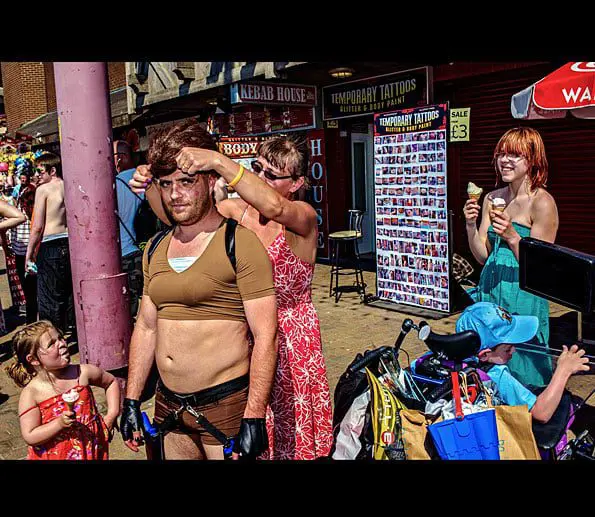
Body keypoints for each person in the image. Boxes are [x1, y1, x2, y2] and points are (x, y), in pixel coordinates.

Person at [131, 135, 334, 460]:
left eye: (272, 175)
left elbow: (276, 206)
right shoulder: (235, 211)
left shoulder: (302, 216)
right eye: (256, 168)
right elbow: (179, 217)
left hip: (291, 340)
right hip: (247, 333)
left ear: (296, 183)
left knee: (288, 435)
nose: (260, 179)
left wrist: (217, 161)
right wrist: (151, 185)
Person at [119, 120, 278, 460]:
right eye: (166, 184)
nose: (175, 194)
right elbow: (146, 327)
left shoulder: (239, 243)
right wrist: (131, 399)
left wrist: (254, 415)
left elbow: (266, 336)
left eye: (186, 182)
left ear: (209, 181)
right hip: (168, 404)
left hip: (224, 404)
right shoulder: (155, 247)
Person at [463, 127, 558, 388]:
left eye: (514, 155)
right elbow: (483, 256)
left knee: (522, 366)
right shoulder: (492, 198)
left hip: (523, 295)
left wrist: (513, 237)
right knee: (488, 365)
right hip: (491, 290)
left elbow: (540, 268)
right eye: (501, 154)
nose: (504, 160)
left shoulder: (542, 203)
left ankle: (530, 408)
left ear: (533, 160)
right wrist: (470, 225)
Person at [456, 302, 589, 423]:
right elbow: (541, 413)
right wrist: (564, 370)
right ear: (484, 355)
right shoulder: (494, 375)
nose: (514, 350)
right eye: (508, 348)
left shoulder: (455, 363)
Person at [5, 320, 120, 460]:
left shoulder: (82, 373)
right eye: (51, 344)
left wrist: (111, 415)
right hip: (56, 454)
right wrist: (58, 424)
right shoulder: (32, 393)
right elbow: (30, 435)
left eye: (60, 338)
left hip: (91, 449)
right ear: (33, 359)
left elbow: (111, 382)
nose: (62, 343)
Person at [25, 152, 76, 333]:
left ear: (52, 170)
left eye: (40, 171)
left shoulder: (43, 190)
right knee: (68, 293)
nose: (37, 176)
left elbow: (37, 226)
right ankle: (71, 331)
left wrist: (29, 254)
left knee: (48, 298)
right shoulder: (69, 186)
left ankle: (53, 337)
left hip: (50, 245)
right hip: (69, 242)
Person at [113, 139, 145, 319]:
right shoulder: (147, 179)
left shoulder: (113, 185)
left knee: (129, 309)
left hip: (123, 252)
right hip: (144, 249)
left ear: (121, 158)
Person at [11, 170, 38, 323]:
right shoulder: (30, 213)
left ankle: (32, 319)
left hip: (25, 252)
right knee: (33, 289)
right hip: (28, 251)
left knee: (29, 290)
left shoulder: (23, 214)